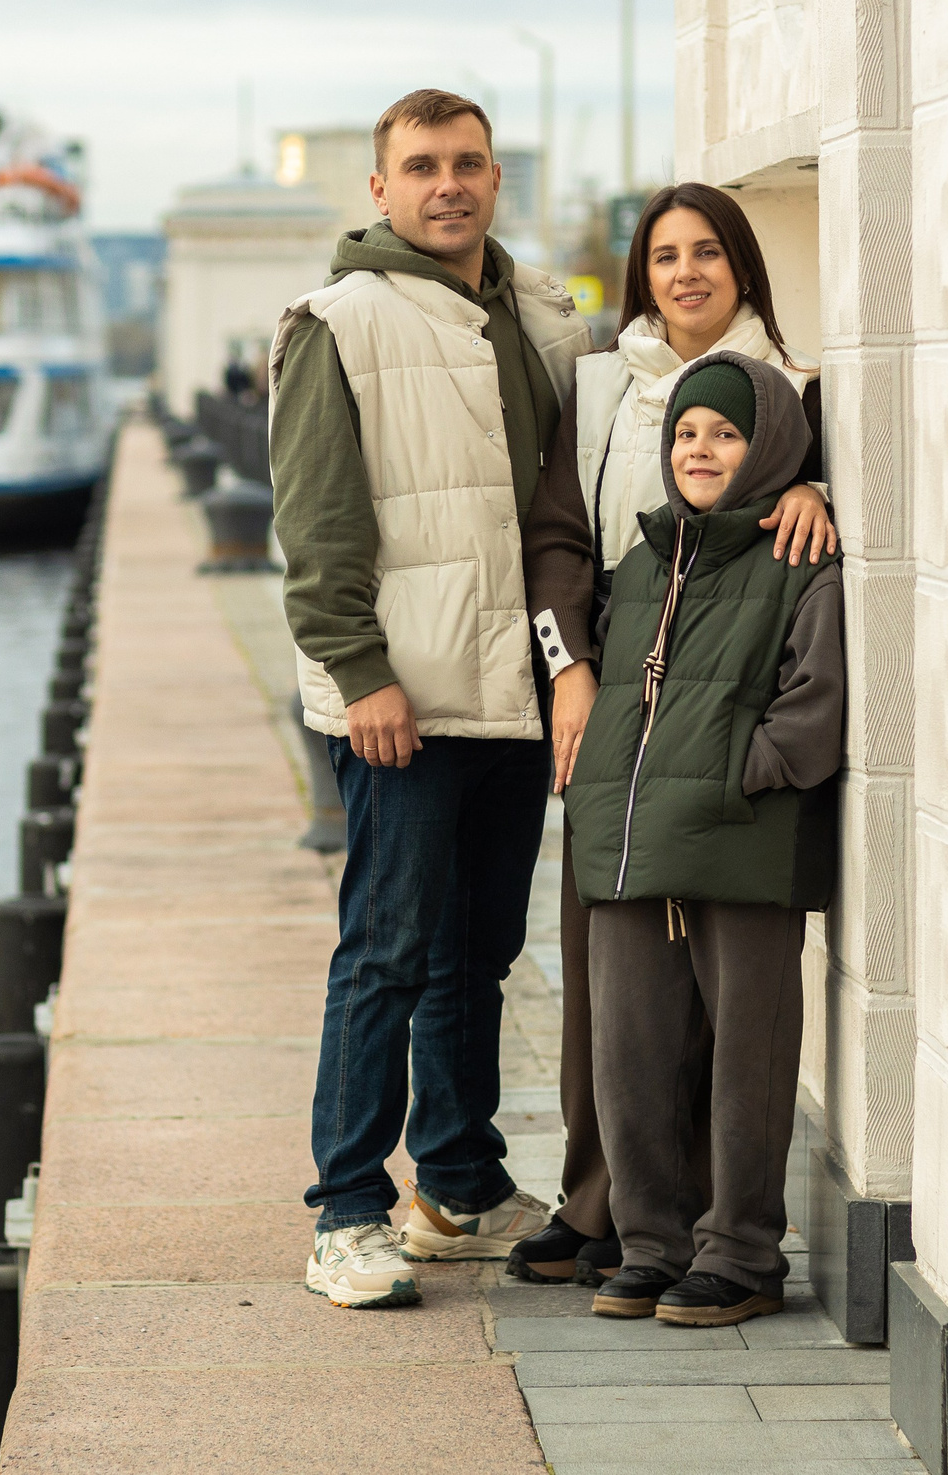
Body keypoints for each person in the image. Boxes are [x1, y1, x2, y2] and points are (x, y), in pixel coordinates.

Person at [268, 88, 594, 1308]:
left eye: (468, 164)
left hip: (511, 686)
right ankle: (346, 1212)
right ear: (380, 190)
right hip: (400, 694)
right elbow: (315, 518)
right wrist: (359, 674)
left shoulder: (542, 315)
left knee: (478, 952)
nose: (447, 184)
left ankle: (457, 1189)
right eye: (421, 167)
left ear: (495, 180)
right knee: (387, 953)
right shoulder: (336, 322)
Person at [507, 184, 835, 1286]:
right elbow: (554, 540)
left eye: (705, 253)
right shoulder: (602, 386)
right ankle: (605, 1205)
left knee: (729, 988)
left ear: (743, 265)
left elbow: (834, 503)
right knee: (616, 976)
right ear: (639, 273)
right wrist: (571, 675)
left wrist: (822, 487)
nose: (683, 273)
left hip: (733, 676)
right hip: (616, 676)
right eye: (662, 256)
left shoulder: (801, 389)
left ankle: (719, 1233)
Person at [560, 349, 844, 1326]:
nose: (700, 448)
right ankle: (651, 1244)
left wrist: (735, 775)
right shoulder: (643, 560)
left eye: (724, 432)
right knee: (629, 1054)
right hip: (631, 843)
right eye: (686, 432)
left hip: (740, 846)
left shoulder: (800, 556)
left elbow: (814, 709)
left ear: (764, 445)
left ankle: (743, 1254)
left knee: (746, 1062)